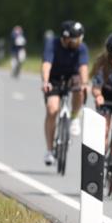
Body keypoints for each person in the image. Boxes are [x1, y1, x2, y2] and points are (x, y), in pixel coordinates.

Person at [41, 20, 89, 165]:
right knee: (52, 109)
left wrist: (85, 84)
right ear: (66, 38)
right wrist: (45, 81)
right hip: (54, 79)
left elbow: (83, 67)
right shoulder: (52, 44)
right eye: (76, 39)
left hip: (72, 77)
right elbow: (46, 64)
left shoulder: (81, 47)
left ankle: (74, 117)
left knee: (79, 88)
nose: (79, 41)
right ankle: (49, 150)